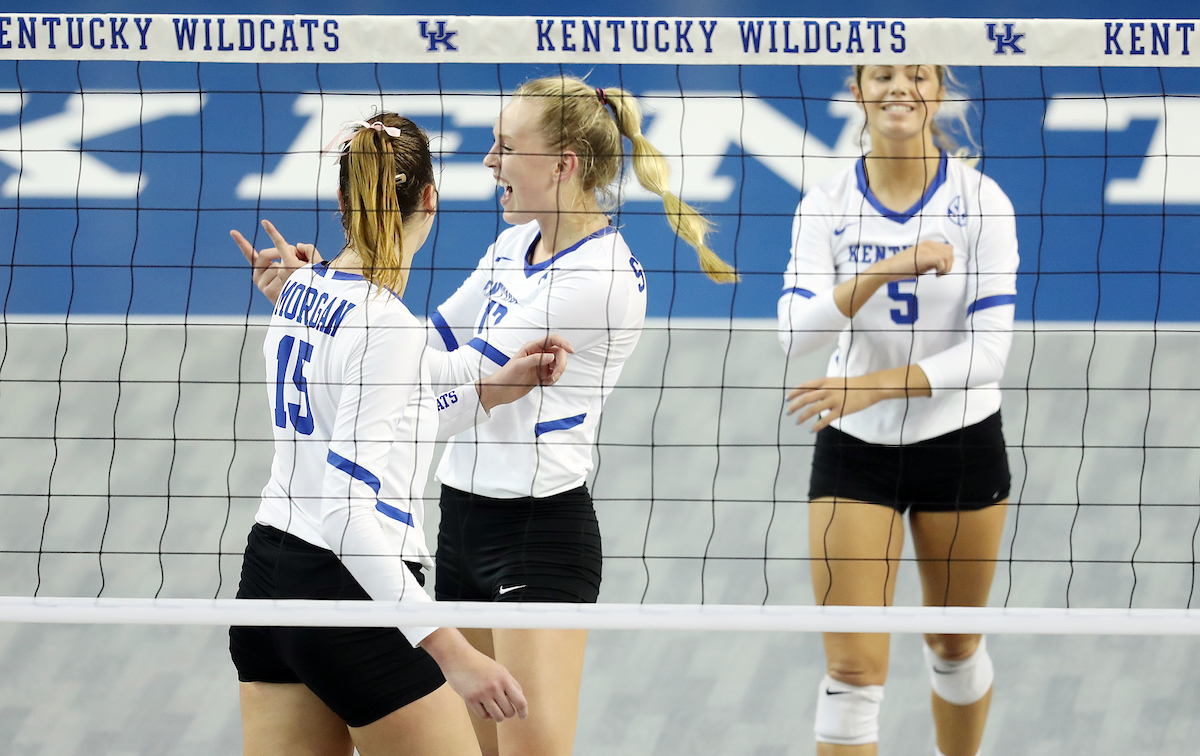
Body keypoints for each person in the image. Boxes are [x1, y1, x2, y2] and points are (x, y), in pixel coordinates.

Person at [244, 75, 735, 756]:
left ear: (563, 164)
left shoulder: (597, 280)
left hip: (533, 531)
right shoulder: (513, 246)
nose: (489, 160)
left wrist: (325, 302)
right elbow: (423, 351)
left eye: (506, 146)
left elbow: (431, 364)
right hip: (459, 521)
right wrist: (327, 295)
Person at [229, 112, 574, 756]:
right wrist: (454, 653)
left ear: (342, 201)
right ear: (430, 200)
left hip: (269, 578)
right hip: (353, 590)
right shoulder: (384, 322)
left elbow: (400, 399)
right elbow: (346, 515)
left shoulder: (299, 291)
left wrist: (495, 388)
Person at [778, 65, 1018, 756]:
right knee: (852, 672)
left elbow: (989, 355)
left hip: (960, 443)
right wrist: (888, 267)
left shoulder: (982, 201)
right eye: (881, 75)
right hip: (856, 451)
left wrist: (873, 385)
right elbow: (795, 334)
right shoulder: (825, 205)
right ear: (856, 89)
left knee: (954, 644)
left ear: (938, 90)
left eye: (917, 75)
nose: (899, 88)